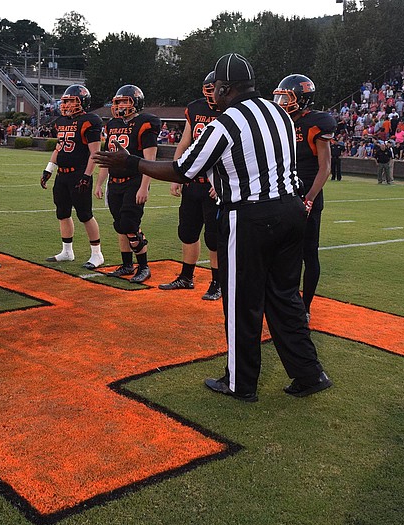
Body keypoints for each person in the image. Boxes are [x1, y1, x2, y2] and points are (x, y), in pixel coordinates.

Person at [94, 53, 331, 401]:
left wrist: (131, 161)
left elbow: (183, 169)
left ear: (224, 88)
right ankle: (309, 374)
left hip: (250, 215)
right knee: (284, 298)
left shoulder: (226, 123)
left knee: (241, 303)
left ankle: (240, 383)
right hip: (292, 210)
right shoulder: (279, 113)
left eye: (216, 89)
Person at [273, 74, 336, 323]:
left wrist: (309, 198)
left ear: (302, 99)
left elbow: (325, 167)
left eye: (286, 97)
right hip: (283, 194)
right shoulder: (279, 123)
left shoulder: (317, 123)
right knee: (280, 253)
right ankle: (283, 300)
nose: (280, 101)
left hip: (307, 196)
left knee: (308, 253)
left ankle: (305, 307)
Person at [159, 71, 221, 300]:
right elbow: (185, 143)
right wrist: (178, 174)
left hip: (216, 185)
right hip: (193, 182)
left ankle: (218, 282)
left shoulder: (233, 111)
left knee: (214, 238)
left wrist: (224, 182)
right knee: (188, 232)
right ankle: (186, 277)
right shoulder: (195, 108)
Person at [94, 84, 160, 284]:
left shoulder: (145, 123)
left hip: (134, 180)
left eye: (125, 101)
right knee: (120, 226)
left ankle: (144, 266)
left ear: (136, 103)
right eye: (118, 101)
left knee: (131, 225)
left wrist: (144, 186)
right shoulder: (112, 124)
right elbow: (108, 158)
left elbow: (150, 158)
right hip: (115, 182)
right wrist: (99, 183)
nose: (121, 105)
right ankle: (126, 264)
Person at [40, 84, 105, 269]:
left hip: (79, 174)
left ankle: (97, 254)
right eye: (65, 101)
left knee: (85, 215)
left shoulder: (90, 121)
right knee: (62, 213)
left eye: (70, 101)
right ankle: (67, 251)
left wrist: (86, 176)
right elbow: (58, 148)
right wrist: (48, 170)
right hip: (63, 175)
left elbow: (95, 153)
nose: (66, 105)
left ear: (82, 102)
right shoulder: (61, 121)